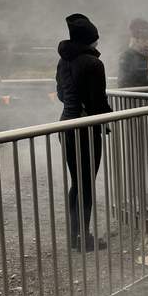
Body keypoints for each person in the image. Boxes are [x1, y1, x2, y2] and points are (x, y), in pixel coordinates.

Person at [56, 13, 111, 252]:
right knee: (86, 184)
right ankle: (84, 239)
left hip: (66, 125)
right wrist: (108, 117)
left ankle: (74, 236)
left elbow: (61, 94)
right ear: (91, 39)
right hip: (86, 129)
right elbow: (97, 102)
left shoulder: (64, 61)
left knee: (77, 182)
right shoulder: (93, 63)